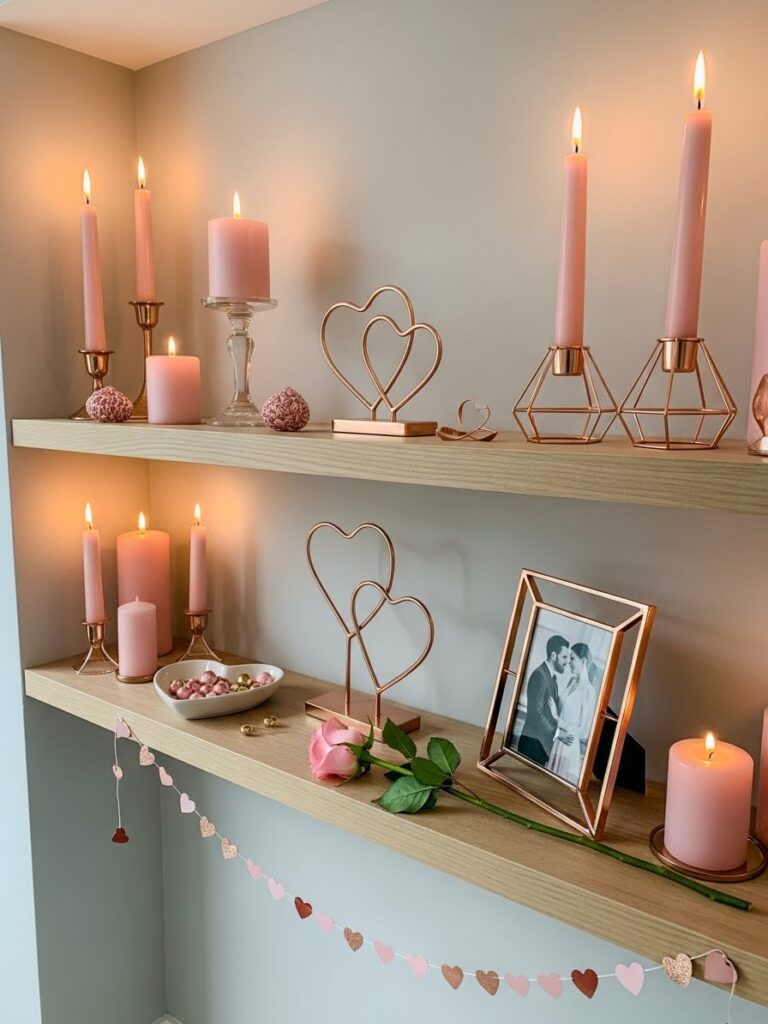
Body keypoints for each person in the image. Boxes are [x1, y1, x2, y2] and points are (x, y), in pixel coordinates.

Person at [547, 642, 598, 785]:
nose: (569, 662)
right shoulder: (571, 681)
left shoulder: (589, 691)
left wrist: (557, 719)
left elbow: (583, 730)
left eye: (572, 658)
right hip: (556, 740)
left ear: (583, 661)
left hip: (568, 747)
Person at [517, 634, 570, 766]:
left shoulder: (551, 677)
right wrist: (557, 733)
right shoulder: (540, 675)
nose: (567, 661)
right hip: (532, 745)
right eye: (564, 657)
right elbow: (536, 714)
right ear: (553, 656)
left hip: (540, 746)